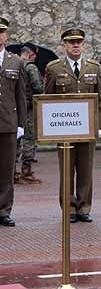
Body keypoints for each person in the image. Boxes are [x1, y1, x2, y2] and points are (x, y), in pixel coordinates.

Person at [44, 28, 101, 222]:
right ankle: (69, 208)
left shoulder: (94, 67)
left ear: (83, 44)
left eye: (79, 41)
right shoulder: (54, 68)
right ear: (64, 45)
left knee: (86, 169)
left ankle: (84, 208)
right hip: (64, 129)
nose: (76, 45)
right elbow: (47, 99)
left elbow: (100, 101)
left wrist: (100, 125)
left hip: (87, 128)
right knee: (67, 169)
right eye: (72, 42)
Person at [0, 17, 26, 227]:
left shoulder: (16, 62)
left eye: (1, 32)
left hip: (8, 122)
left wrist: (21, 124)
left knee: (7, 169)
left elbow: (21, 96)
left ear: (6, 36)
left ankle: (4, 210)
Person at [15, 43, 43, 185]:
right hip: (28, 107)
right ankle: (26, 170)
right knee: (28, 138)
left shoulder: (13, 63)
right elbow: (38, 88)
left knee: (14, 139)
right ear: (31, 54)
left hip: (13, 108)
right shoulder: (30, 67)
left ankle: (12, 172)